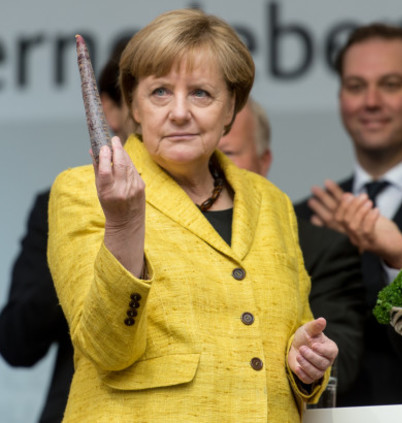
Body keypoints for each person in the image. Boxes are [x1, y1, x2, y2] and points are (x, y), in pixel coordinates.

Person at [46, 9, 336, 422]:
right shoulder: (82, 190)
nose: (179, 111)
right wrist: (125, 223)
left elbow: (294, 336)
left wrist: (307, 363)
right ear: (134, 104)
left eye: (201, 93)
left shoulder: (272, 202)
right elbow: (107, 348)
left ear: (230, 106)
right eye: (160, 92)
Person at [294, 23, 402, 407]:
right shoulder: (301, 218)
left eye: (390, 84)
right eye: (356, 86)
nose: (370, 101)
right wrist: (332, 252)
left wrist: (391, 263)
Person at [0, 35, 134, 423]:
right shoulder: (67, 201)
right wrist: (73, 248)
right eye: (154, 93)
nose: (171, 112)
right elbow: (16, 344)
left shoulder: (230, 207)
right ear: (108, 107)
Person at [218, 98, 365, 397]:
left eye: (228, 153)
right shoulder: (148, 235)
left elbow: (342, 362)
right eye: (204, 156)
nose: (215, 168)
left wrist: (306, 361)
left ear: (264, 160)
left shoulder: (320, 247)